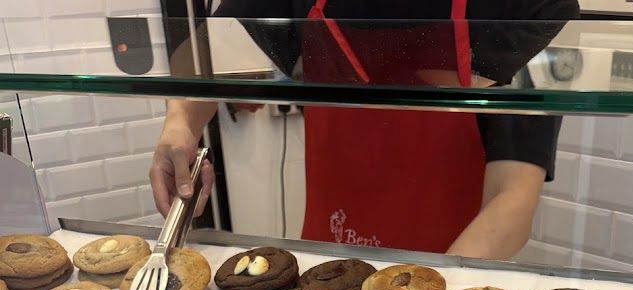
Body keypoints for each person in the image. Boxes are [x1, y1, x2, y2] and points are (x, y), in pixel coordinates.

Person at [151, 1, 577, 259]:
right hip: (328, 259)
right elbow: (209, 51)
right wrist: (180, 123)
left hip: (457, 270)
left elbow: (513, 196)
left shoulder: (524, 8)